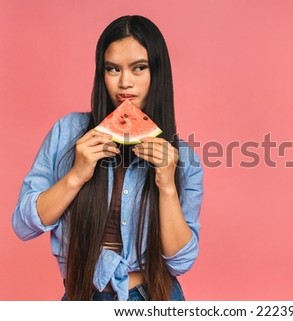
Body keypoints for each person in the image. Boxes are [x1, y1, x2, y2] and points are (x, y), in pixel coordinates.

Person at [12, 15, 203, 301]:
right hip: (82, 297)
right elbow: (23, 226)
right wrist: (76, 176)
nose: (124, 83)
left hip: (153, 297)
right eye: (113, 69)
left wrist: (167, 186)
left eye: (139, 68)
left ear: (157, 74)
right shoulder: (68, 132)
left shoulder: (181, 158)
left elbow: (180, 261)